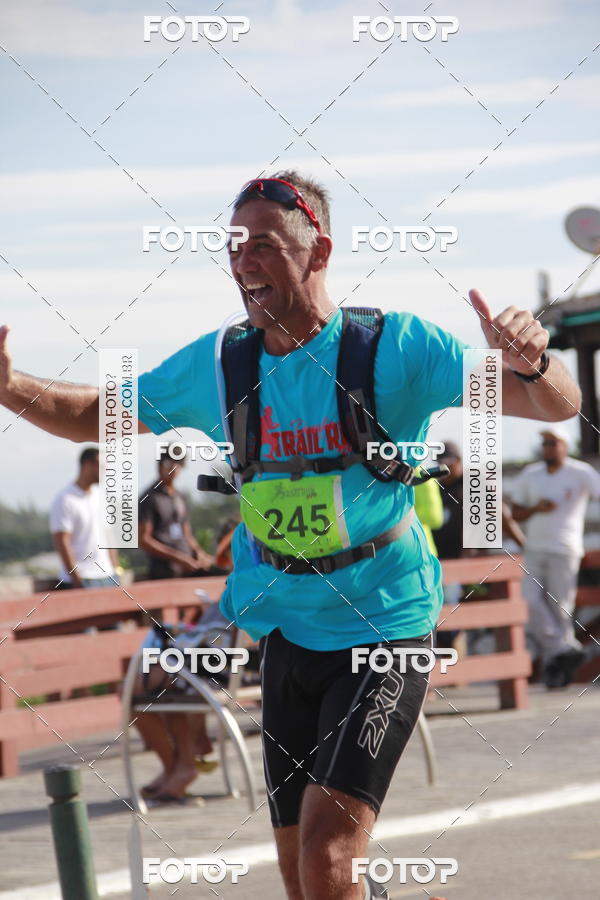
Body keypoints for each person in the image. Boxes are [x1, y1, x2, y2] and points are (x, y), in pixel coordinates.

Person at [0, 170, 581, 900]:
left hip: (385, 624)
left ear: (319, 252)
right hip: (285, 628)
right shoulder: (221, 365)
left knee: (326, 857)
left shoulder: (394, 349)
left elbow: (553, 404)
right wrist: (9, 383)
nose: (243, 262)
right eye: (233, 247)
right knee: (300, 876)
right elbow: (96, 416)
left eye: (265, 245)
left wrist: (537, 359)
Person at [511, 425, 600, 688]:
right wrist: (536, 508)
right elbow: (514, 513)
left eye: (552, 443)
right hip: (535, 547)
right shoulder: (531, 474)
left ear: (564, 445)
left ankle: (557, 664)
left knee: (561, 607)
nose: (547, 448)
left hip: (566, 548)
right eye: (545, 443)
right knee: (529, 602)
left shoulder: (581, 472)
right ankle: (565, 649)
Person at [138, 445, 214, 579]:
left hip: (189, 566)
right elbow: (143, 540)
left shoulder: (180, 496)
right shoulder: (149, 498)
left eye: (177, 464)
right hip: (164, 571)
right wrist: (178, 558)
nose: (173, 469)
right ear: (160, 466)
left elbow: (186, 533)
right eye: (169, 464)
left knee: (224, 574)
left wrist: (200, 553)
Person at [50, 446, 119, 588]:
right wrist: (77, 579)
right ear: (87, 465)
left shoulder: (101, 496)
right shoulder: (65, 499)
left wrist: (115, 569)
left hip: (108, 576)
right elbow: (62, 541)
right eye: (102, 466)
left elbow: (108, 535)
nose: (106, 471)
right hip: (83, 578)